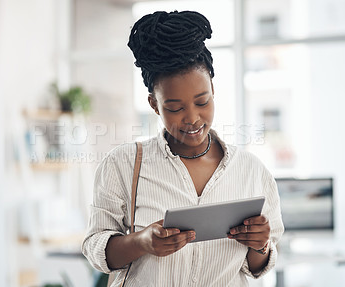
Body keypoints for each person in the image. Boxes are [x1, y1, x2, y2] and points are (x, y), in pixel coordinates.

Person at [82, 10, 284, 286]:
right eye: (175, 108)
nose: (191, 119)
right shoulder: (123, 164)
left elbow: (257, 265)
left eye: (202, 102)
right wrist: (141, 243)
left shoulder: (251, 170)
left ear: (213, 88)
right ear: (154, 104)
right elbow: (95, 248)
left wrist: (260, 245)